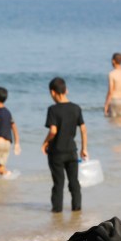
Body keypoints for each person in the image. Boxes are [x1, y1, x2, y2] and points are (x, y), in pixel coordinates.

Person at [42, 77, 88, 213]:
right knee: (74, 182)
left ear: (52, 92)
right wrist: (84, 149)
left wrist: (45, 142)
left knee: (58, 183)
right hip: (72, 151)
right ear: (65, 90)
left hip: (56, 152)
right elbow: (83, 130)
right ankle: (77, 210)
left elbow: (53, 131)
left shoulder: (53, 110)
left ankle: (57, 212)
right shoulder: (76, 108)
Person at [103, 52, 121, 118]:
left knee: (112, 123)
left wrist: (106, 104)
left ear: (113, 61)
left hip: (114, 100)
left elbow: (111, 91)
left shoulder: (112, 74)